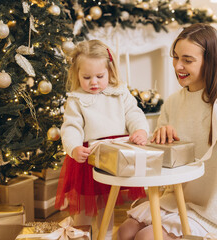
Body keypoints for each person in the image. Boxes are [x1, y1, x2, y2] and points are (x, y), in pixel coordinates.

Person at [118, 23, 217, 239]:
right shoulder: (173, 102)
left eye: (188, 60)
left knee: (146, 237)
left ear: (210, 61)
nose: (178, 66)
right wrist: (160, 139)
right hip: (179, 202)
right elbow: (162, 166)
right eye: (175, 57)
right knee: (125, 231)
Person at [54, 39, 149, 239]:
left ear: (111, 72)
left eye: (100, 76)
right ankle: (80, 235)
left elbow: (134, 114)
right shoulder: (76, 99)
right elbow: (71, 127)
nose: (94, 82)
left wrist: (139, 130)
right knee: (84, 207)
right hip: (89, 157)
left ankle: (104, 236)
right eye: (87, 77)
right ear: (77, 74)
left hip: (115, 156)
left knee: (107, 203)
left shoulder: (120, 92)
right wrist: (74, 147)